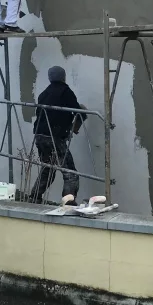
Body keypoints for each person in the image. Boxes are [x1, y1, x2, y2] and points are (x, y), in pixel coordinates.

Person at [30, 66, 87, 204]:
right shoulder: (66, 92)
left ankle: (34, 197)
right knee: (70, 173)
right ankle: (68, 203)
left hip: (39, 135)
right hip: (54, 137)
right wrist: (75, 126)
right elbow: (78, 111)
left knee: (47, 169)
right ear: (64, 77)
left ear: (50, 78)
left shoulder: (43, 94)